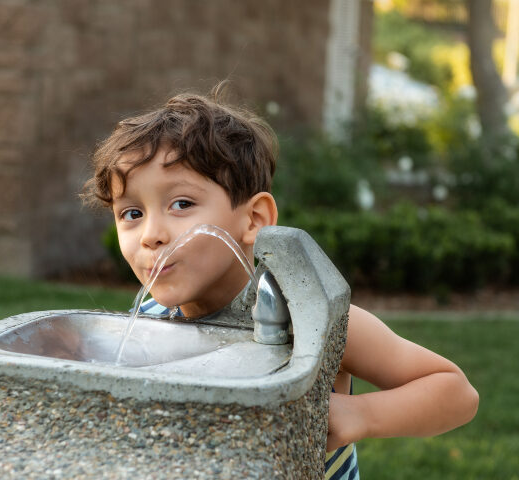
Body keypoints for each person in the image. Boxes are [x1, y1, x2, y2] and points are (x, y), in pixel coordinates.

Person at [81, 90, 479, 479]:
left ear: (254, 219)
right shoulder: (148, 324)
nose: (151, 234)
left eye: (181, 204)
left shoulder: (309, 319)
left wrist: (354, 415)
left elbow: (455, 392)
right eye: (131, 213)